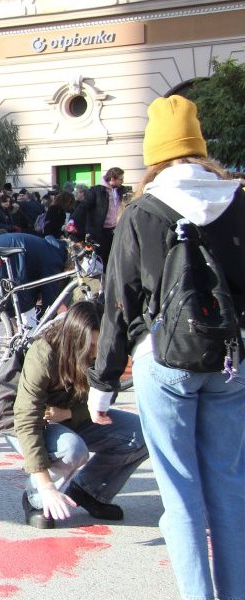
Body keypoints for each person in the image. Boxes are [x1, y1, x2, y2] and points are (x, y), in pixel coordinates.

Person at [88, 96, 245, 600]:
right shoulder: (238, 201)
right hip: (232, 359)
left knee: (179, 494)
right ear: (200, 146)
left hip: (163, 356)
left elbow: (118, 301)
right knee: (230, 486)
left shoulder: (141, 212)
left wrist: (103, 382)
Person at [12, 301, 148, 529]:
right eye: (90, 346)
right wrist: (45, 486)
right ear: (73, 339)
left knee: (143, 434)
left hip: (72, 417)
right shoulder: (44, 352)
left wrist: (68, 413)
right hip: (34, 423)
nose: (95, 353)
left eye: (99, 345)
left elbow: (107, 396)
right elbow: (26, 419)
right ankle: (37, 499)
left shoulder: (107, 351)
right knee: (73, 449)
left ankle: (89, 490)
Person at [76, 167, 125, 265]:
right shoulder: (96, 191)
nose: (122, 181)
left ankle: (109, 278)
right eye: (120, 179)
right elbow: (83, 206)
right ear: (112, 179)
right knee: (101, 260)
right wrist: (73, 221)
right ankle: (103, 278)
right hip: (100, 232)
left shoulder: (120, 190)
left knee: (112, 259)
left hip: (114, 230)